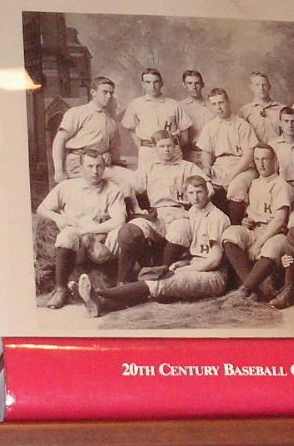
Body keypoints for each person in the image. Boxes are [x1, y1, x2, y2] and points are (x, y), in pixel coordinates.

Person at [79, 175, 230, 315]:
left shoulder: (217, 218)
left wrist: (184, 269)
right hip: (195, 267)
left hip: (213, 276)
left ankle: (100, 296)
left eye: (199, 192)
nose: (195, 197)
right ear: (186, 195)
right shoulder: (194, 212)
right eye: (191, 193)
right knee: (155, 279)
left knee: (160, 283)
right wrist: (182, 263)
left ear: (207, 192)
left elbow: (214, 260)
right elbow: (196, 252)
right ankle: (100, 303)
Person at [35, 149, 129, 308]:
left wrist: (89, 231)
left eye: (99, 166)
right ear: (81, 167)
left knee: (123, 234)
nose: (95, 171)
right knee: (67, 236)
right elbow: (42, 209)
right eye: (90, 166)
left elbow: (119, 219)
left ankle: (114, 288)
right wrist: (58, 218)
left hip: (100, 239)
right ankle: (61, 289)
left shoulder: (113, 189)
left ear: (104, 167)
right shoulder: (67, 187)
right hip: (76, 238)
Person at [222, 144, 294, 307]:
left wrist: (257, 245)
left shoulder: (281, 185)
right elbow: (252, 211)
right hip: (254, 229)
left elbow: (279, 220)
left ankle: (244, 290)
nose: (261, 164)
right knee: (230, 234)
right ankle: (254, 289)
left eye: (265, 159)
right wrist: (245, 220)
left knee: (271, 249)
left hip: (274, 232)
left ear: (274, 161)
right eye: (257, 159)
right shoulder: (254, 183)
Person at [116, 131, 208, 283]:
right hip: (156, 215)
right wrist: (137, 208)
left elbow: (207, 189)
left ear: (175, 146)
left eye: (170, 146)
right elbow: (127, 188)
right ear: (155, 148)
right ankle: (122, 282)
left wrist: (192, 210)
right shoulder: (150, 167)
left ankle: (162, 278)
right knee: (128, 233)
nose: (166, 149)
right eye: (162, 146)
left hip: (180, 214)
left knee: (180, 232)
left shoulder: (187, 167)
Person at [195, 87, 260, 223]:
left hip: (243, 166)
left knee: (235, 186)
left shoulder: (241, 124)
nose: (218, 107)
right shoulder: (210, 126)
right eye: (214, 104)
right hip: (220, 165)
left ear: (228, 102)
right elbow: (206, 152)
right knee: (203, 186)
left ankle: (235, 226)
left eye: (221, 102)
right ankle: (214, 225)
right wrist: (207, 166)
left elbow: (249, 155)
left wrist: (232, 175)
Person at [119, 67, 189, 172]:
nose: (152, 86)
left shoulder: (174, 104)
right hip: (148, 152)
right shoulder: (136, 104)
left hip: (171, 151)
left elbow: (184, 134)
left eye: (156, 82)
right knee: (149, 179)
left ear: (161, 83)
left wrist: (172, 146)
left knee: (176, 178)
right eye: (148, 82)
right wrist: (142, 147)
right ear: (143, 84)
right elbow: (132, 130)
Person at [51, 76, 121, 181]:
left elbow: (112, 149)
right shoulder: (78, 112)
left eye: (111, 93)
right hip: (78, 164)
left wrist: (108, 154)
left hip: (99, 164)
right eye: (105, 92)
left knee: (129, 180)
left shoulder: (111, 121)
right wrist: (59, 171)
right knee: (120, 183)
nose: (108, 96)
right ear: (93, 92)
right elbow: (59, 140)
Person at [179, 69, 215, 161]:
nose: (194, 87)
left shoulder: (213, 106)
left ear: (202, 84)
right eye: (189, 83)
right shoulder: (179, 107)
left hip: (210, 153)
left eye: (197, 83)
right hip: (188, 154)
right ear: (184, 85)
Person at [238, 72, 285, 143]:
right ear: (251, 87)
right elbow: (240, 135)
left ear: (269, 87)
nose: (261, 88)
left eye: (264, 85)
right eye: (257, 85)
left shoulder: (282, 109)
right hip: (256, 149)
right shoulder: (244, 111)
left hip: (278, 148)